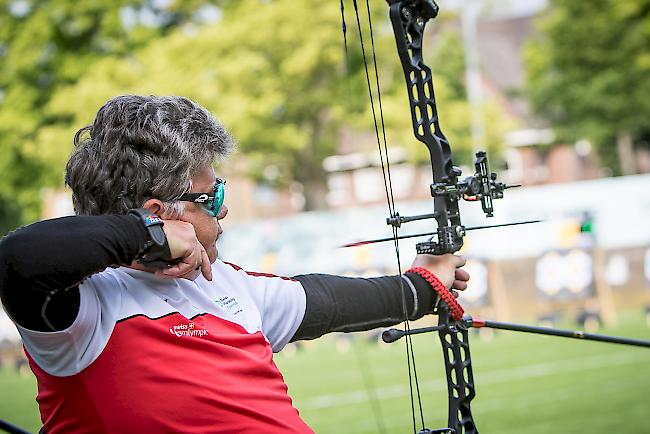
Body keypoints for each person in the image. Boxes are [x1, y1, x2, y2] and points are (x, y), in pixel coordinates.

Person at [0, 95, 469, 433]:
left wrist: (426, 285)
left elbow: (328, 301)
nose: (224, 209)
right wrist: (144, 235)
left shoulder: (228, 286)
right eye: (213, 195)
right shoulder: (83, 308)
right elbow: (18, 258)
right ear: (161, 212)